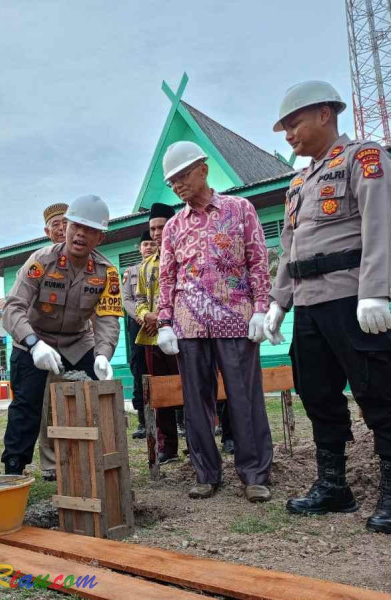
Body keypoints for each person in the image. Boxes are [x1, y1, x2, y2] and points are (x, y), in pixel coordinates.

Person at [264, 81, 391, 535]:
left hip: (352, 300)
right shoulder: (298, 183)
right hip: (309, 307)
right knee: (318, 396)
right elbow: (289, 247)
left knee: (380, 395)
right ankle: (334, 487)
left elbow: (377, 223)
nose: (288, 134)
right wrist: (278, 304)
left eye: (294, 123)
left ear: (325, 115)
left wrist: (375, 291)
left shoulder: (362, 157)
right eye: (285, 128)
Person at [156, 141, 273, 503]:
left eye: (182, 177)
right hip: (189, 324)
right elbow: (166, 276)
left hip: (235, 318)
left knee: (245, 398)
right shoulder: (173, 227)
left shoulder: (240, 209)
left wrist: (260, 308)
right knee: (195, 402)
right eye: (172, 182)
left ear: (203, 170)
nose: (177, 186)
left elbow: (257, 260)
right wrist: (164, 321)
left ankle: (254, 474)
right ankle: (206, 473)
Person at [1, 195, 122, 475]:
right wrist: (33, 344)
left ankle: (93, 465)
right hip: (33, 340)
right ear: (65, 227)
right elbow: (13, 307)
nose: (81, 234)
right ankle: (13, 469)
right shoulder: (41, 261)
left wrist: (103, 354)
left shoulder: (107, 273)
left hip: (77, 343)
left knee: (93, 401)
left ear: (100, 238)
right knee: (26, 406)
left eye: (90, 230)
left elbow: (108, 319)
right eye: (76, 226)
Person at [135, 204, 182, 462]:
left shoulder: (185, 256)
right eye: (153, 228)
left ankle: (199, 440)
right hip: (152, 337)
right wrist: (146, 315)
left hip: (183, 335)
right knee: (160, 393)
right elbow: (140, 298)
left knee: (190, 389)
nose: (156, 233)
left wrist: (165, 318)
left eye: (161, 227)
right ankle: (167, 446)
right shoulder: (145, 267)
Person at [36, 202, 68, 481]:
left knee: (78, 400)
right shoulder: (39, 261)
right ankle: (49, 463)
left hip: (80, 342)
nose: (62, 229)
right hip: (47, 343)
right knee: (49, 404)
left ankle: (77, 455)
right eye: (56, 224)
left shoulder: (90, 258)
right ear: (47, 231)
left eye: (66, 223)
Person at [122, 230, 156, 440]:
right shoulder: (131, 271)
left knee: (168, 369)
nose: (149, 247)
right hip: (138, 323)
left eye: (152, 244)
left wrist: (157, 317)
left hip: (162, 322)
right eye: (145, 244)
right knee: (139, 369)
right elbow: (126, 298)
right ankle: (144, 421)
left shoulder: (165, 265)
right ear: (140, 248)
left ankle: (178, 421)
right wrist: (141, 316)